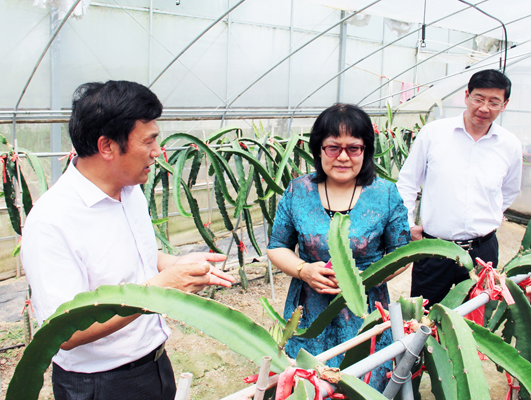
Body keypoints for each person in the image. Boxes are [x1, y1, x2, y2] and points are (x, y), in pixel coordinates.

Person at [21, 80, 235, 400]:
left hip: (154, 362)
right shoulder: (51, 222)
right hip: (99, 384)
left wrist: (176, 264)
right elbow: (64, 332)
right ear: (107, 146)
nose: (157, 152)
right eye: (148, 141)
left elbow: (136, 256)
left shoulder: (130, 190)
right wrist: (159, 290)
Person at [266, 103, 411, 391]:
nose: (343, 157)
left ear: (365, 150)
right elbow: (277, 246)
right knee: (308, 384)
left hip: (364, 310)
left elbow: (402, 255)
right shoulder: (298, 190)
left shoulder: (385, 194)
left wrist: (360, 279)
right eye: (333, 147)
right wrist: (304, 270)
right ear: (319, 149)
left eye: (353, 148)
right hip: (308, 311)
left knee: (364, 385)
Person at [396, 69, 522, 307]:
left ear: (504, 105)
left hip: (483, 252)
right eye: (478, 98)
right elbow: (408, 182)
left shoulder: (509, 144)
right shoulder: (434, 133)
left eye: (494, 102)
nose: (484, 108)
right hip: (435, 249)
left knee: (475, 315)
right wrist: (408, 224)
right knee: (423, 316)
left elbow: (510, 190)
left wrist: (489, 216)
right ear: (466, 96)